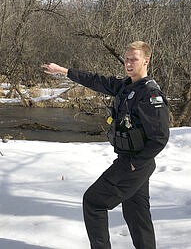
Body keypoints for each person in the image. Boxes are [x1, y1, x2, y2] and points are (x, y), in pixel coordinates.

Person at [41, 41, 170, 249]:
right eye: (126, 59)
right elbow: (96, 80)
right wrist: (63, 71)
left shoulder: (150, 94)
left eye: (134, 59)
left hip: (134, 164)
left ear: (146, 61)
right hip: (132, 163)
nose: (128, 63)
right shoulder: (125, 85)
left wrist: (134, 164)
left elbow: (160, 138)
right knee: (137, 214)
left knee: (93, 202)